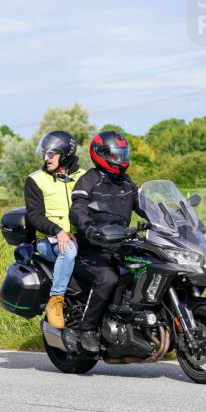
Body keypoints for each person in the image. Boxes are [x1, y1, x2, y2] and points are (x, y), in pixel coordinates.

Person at [68, 130, 144, 353]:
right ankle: (87, 329)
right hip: (92, 248)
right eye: (115, 154)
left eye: (123, 153)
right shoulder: (89, 180)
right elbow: (78, 209)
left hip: (120, 244)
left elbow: (143, 205)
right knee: (108, 278)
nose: (121, 159)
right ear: (100, 154)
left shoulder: (126, 182)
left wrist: (172, 219)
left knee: (147, 268)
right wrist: (89, 229)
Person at [24, 130, 86, 329]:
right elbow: (34, 216)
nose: (46, 158)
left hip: (80, 238)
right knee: (68, 250)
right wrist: (58, 230)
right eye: (44, 153)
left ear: (66, 154)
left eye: (51, 154)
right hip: (49, 241)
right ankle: (56, 301)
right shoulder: (36, 180)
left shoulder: (84, 177)